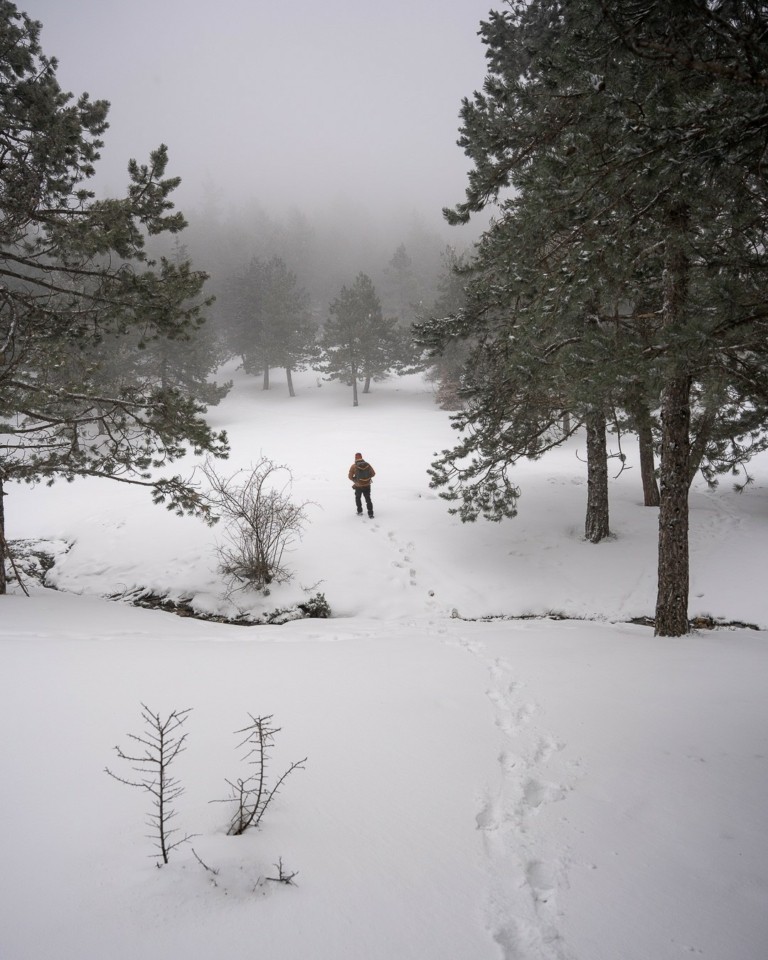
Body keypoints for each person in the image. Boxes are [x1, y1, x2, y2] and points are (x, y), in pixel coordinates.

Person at [349, 452, 375, 518]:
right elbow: (373, 474)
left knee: (358, 498)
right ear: (361, 457)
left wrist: (356, 480)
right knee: (368, 499)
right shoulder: (367, 464)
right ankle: (370, 514)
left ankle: (360, 511)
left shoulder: (353, 466)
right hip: (367, 485)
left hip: (358, 486)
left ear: (355, 458)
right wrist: (366, 477)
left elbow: (350, 477)